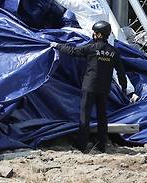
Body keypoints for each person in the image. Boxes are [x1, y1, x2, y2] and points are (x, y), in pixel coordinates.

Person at [50, 21, 130, 153]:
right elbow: (121, 72)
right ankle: (101, 145)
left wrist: (57, 45)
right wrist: (123, 88)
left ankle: (81, 145)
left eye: (95, 32)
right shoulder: (113, 52)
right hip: (104, 88)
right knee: (102, 117)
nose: (93, 34)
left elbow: (73, 51)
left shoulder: (91, 48)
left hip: (89, 87)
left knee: (85, 116)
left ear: (98, 34)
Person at [31, 0, 107, 35]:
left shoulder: (79, 2)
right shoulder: (101, 2)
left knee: (62, 31)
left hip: (91, 35)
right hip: (107, 37)